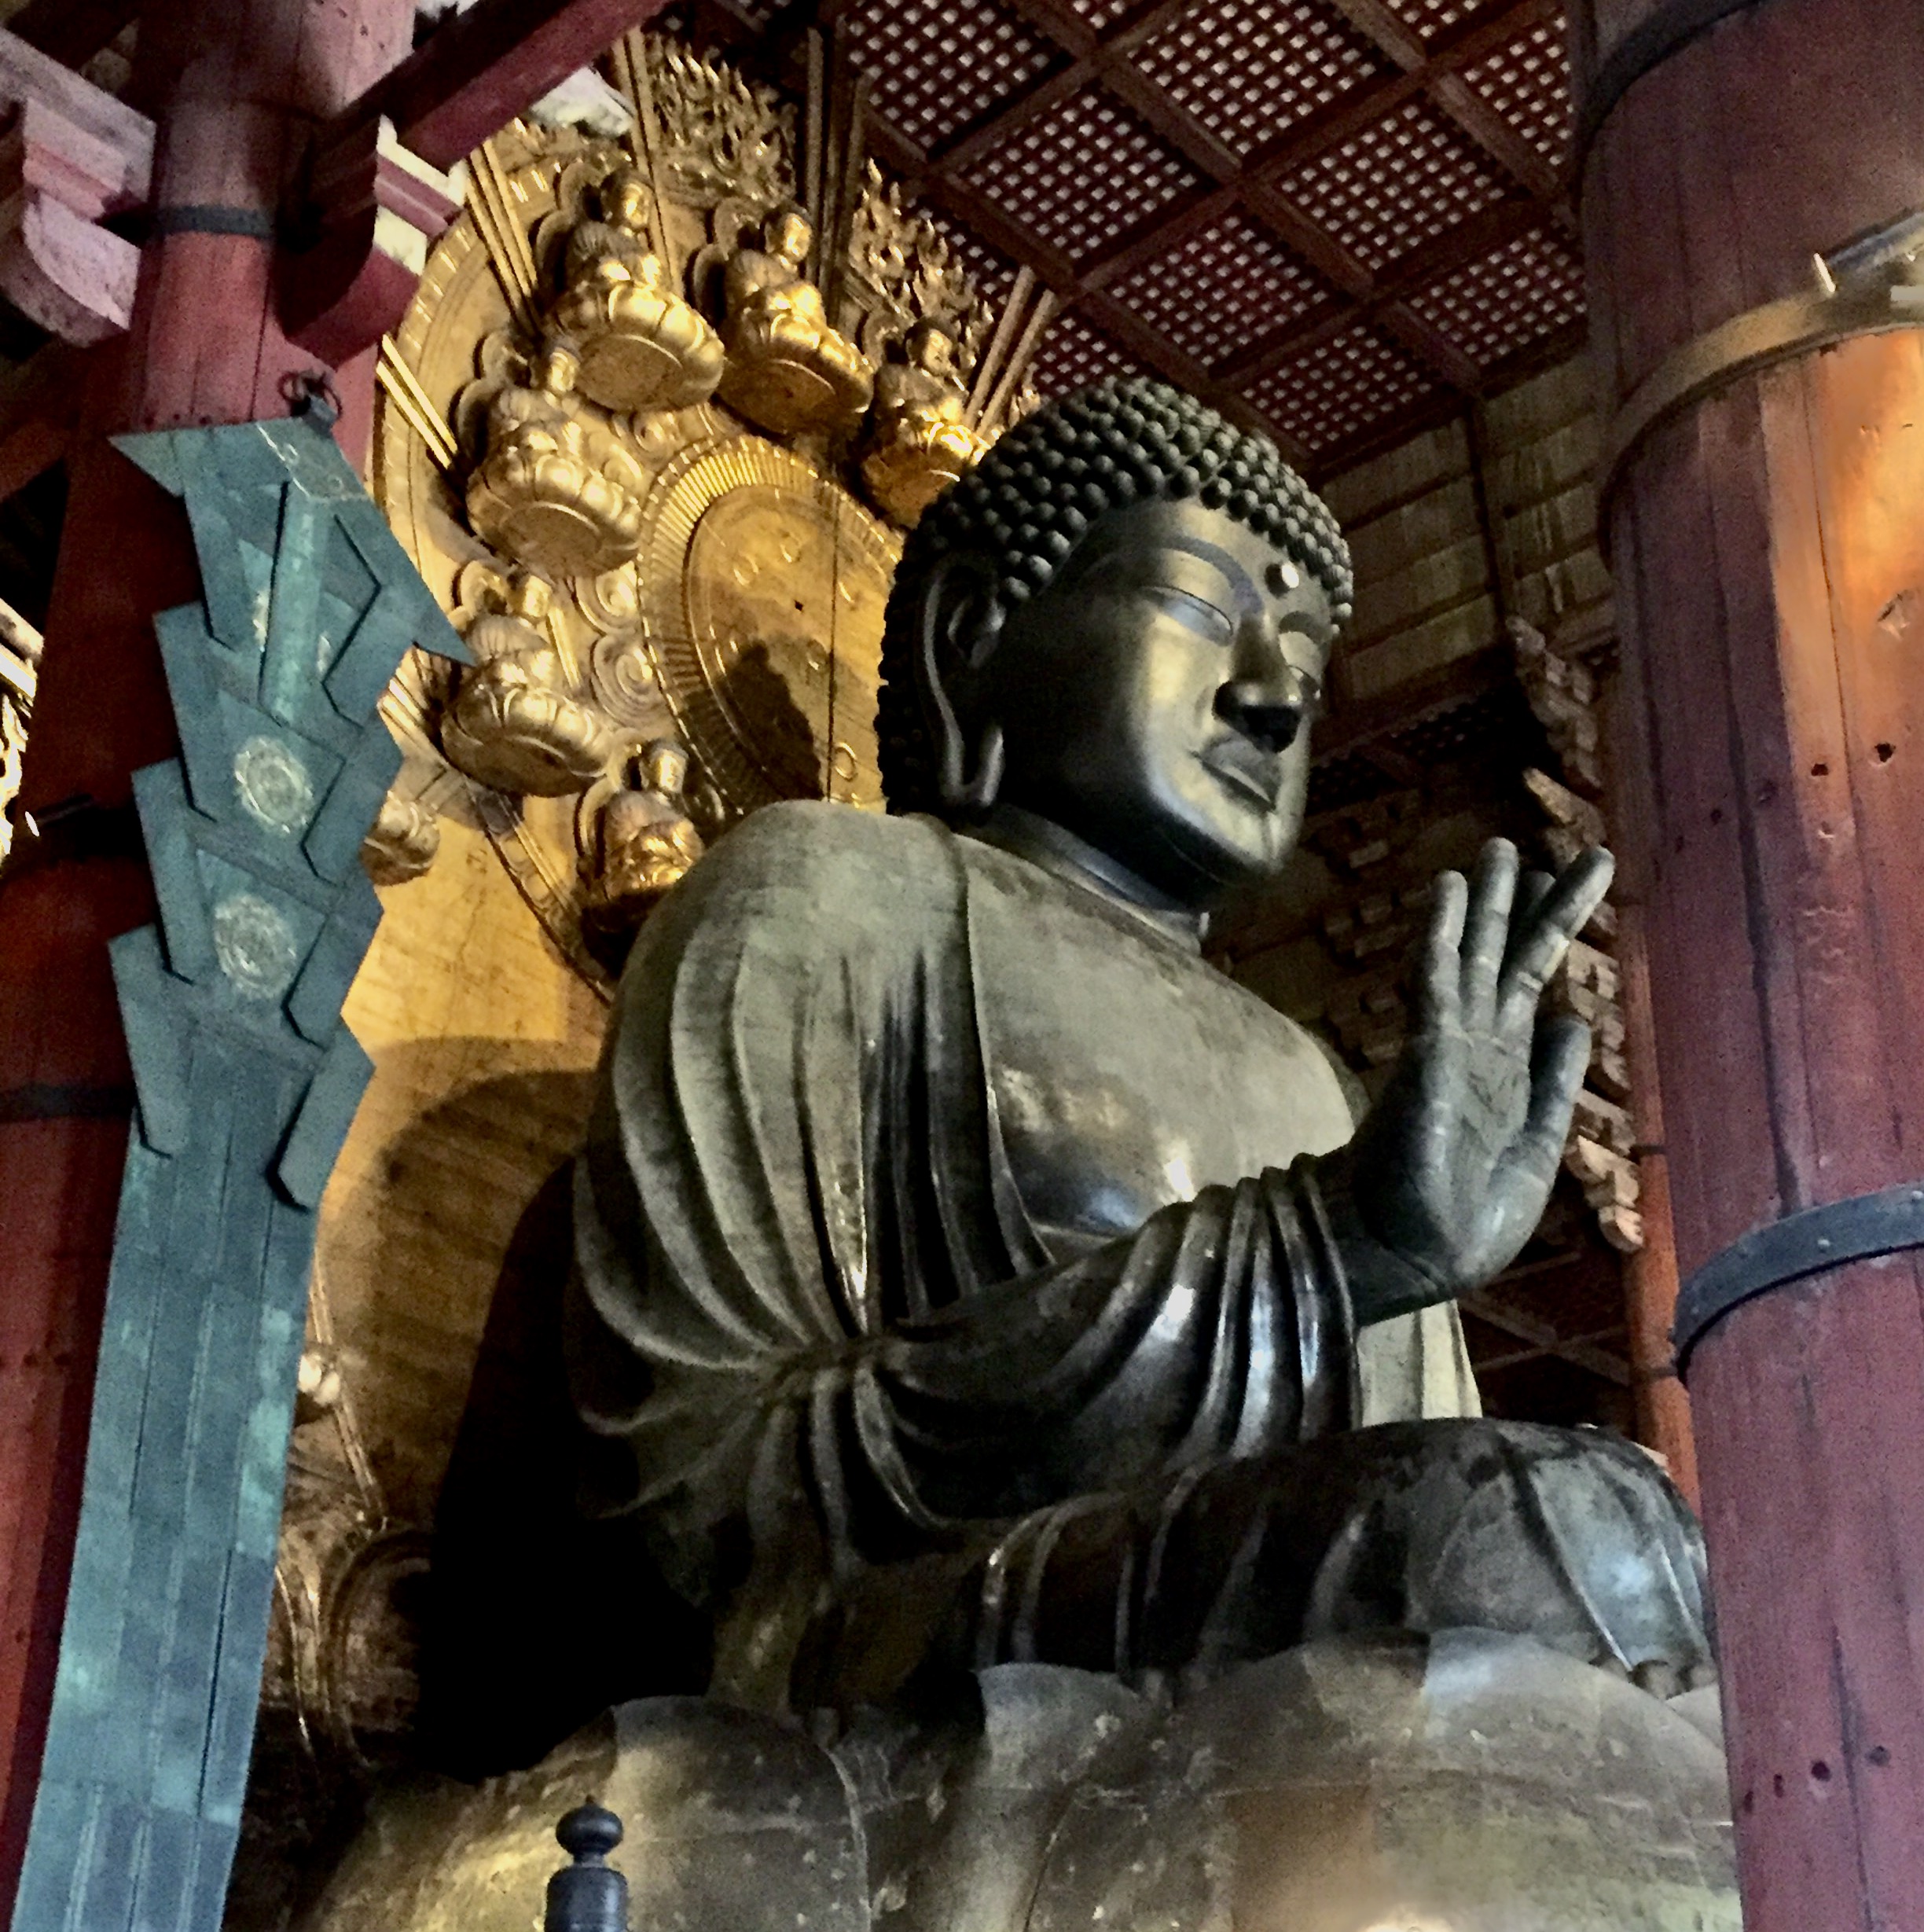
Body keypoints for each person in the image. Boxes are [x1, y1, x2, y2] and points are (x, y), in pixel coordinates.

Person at [448, 376, 1711, 1747]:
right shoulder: (826, 894)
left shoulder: (1308, 1077)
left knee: (1624, 1533)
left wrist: (1372, 1255)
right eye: (1201, 607)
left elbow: (1400, 1475)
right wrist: (1324, 1246)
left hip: (1242, 1620)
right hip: (911, 1638)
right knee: (1522, 1544)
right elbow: (699, 1502)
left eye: (1304, 663)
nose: (1274, 699)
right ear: (971, 635)